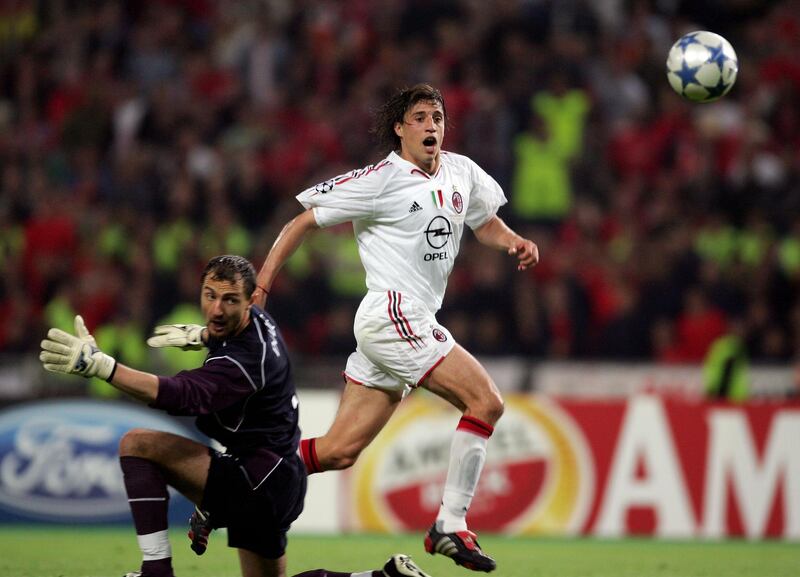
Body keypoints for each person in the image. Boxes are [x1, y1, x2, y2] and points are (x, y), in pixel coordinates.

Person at [254, 83, 538, 573]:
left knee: (338, 451)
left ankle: (235, 479)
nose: (432, 126)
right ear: (400, 128)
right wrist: (260, 290)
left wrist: (514, 242)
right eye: (421, 117)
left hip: (410, 321)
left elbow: (485, 221)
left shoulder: (462, 171)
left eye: (438, 117)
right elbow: (301, 222)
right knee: (486, 402)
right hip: (392, 313)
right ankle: (450, 523)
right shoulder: (382, 178)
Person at [39, 255, 435, 577]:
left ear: (248, 302)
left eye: (229, 300)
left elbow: (181, 395)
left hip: (256, 481)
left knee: (138, 444)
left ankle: (156, 570)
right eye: (210, 295)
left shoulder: (242, 362)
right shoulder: (260, 322)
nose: (216, 307)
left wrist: (103, 367)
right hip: (279, 477)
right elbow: (228, 333)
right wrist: (204, 336)